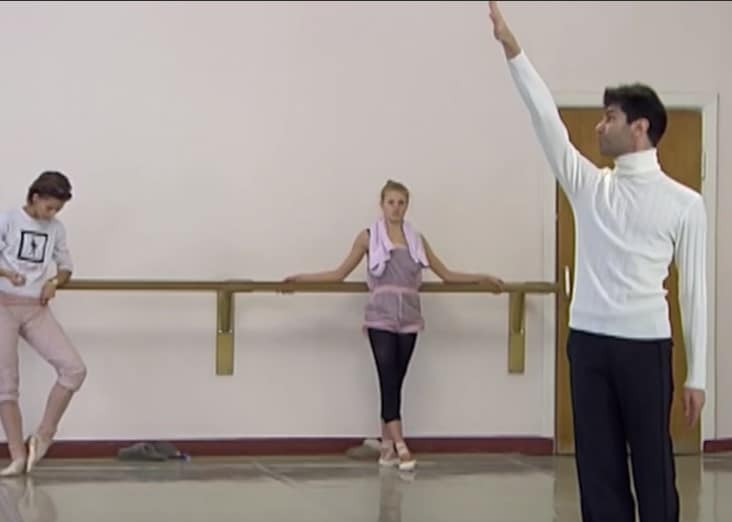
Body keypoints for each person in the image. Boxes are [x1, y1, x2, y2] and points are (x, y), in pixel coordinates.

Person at [488, 2, 707, 521]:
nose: (598, 126)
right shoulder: (590, 186)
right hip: (587, 345)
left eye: (610, 117)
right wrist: (513, 50)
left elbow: (694, 290)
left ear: (640, 127)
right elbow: (546, 120)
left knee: (653, 468)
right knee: (598, 470)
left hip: (646, 349)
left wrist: (697, 375)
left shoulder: (684, 203)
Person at [284, 179, 503, 471]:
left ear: (407, 206)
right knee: (387, 377)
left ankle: (386, 446)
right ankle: (401, 445)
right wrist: (300, 280)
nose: (396, 208)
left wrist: (482, 278)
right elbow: (338, 273)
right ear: (382, 204)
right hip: (381, 317)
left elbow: (447, 274)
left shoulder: (416, 240)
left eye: (401, 203)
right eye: (391, 202)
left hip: (409, 318)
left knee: (396, 381)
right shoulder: (368, 237)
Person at [0, 171, 87, 476]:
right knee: (6, 386)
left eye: (58, 210)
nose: (52, 214)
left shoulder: (56, 229)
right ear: (35, 197)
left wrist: (54, 282)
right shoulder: (8, 220)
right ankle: (17, 455)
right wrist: (6, 273)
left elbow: (66, 267)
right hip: (3, 306)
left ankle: (43, 436)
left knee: (74, 369)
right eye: (49, 207)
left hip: (35, 308)